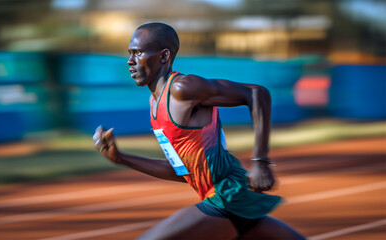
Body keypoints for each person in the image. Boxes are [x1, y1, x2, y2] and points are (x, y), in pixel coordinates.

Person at [93, 22, 306, 240]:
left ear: (164, 56)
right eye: (130, 53)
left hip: (227, 195)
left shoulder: (182, 88)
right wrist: (121, 158)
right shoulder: (154, 104)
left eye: (138, 53)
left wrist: (260, 161)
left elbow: (256, 94)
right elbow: (184, 170)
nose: (130, 61)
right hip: (231, 200)